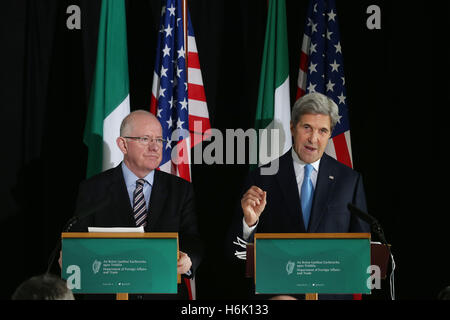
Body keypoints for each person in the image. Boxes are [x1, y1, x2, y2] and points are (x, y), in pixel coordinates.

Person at [229, 92, 370, 299]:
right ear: (293, 127)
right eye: (307, 128)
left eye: (322, 130)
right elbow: (233, 255)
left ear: (330, 134)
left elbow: (361, 251)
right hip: (277, 294)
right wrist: (249, 225)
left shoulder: (349, 181)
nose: (314, 138)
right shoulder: (261, 178)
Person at [69, 110, 203, 299]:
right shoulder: (94, 189)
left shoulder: (180, 190)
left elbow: (192, 238)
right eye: (145, 139)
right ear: (123, 144)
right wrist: (71, 256)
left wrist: (188, 259)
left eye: (159, 140)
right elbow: (78, 241)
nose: (155, 147)